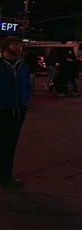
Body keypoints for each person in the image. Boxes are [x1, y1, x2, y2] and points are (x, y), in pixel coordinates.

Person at [0, 37, 31, 187]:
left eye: (20, 44)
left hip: (18, 109)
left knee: (10, 143)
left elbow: (27, 83)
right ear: (6, 47)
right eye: (15, 44)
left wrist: (25, 100)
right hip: (2, 109)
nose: (19, 47)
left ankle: (6, 174)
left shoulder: (22, 64)